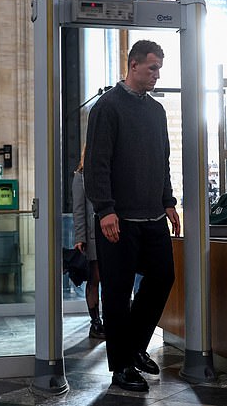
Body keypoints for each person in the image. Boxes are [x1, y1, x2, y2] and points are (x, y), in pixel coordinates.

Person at [84, 39, 181, 392]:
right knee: (117, 291)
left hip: (153, 216)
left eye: (159, 68)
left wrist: (168, 201)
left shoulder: (156, 111)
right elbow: (96, 164)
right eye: (152, 67)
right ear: (133, 65)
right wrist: (105, 209)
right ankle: (121, 366)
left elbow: (162, 160)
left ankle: (135, 346)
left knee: (163, 277)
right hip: (118, 220)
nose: (157, 74)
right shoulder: (107, 107)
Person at [72, 147, 106, 340]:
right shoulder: (81, 176)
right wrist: (80, 238)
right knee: (95, 279)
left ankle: (112, 321)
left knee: (112, 281)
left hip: (113, 236)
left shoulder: (109, 174)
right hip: (93, 238)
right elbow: (78, 210)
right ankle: (95, 323)